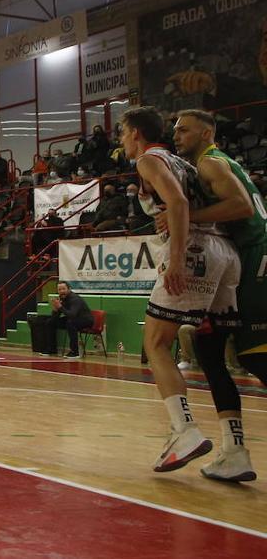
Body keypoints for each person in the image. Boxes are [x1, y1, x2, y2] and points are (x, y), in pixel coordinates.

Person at [119, 106, 239, 475]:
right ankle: (235, 451)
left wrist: (175, 260)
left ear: (136, 133)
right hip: (224, 253)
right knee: (214, 357)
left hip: (194, 250)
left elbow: (179, 203)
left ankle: (184, 429)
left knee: (155, 342)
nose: (122, 141)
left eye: (123, 133)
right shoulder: (181, 161)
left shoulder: (149, 160)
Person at [168, 109, 266, 481]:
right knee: (210, 350)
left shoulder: (211, 163)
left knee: (255, 355)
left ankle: (235, 452)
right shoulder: (215, 164)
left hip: (255, 256)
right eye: (175, 130)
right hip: (243, 260)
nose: (178, 136)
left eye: (185, 130)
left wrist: (188, 217)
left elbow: (241, 207)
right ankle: (234, 451)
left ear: (207, 132)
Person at [50, 281, 94, 358]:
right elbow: (56, 317)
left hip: (86, 320)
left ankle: (74, 352)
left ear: (69, 289)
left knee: (70, 323)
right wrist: (55, 309)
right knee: (50, 322)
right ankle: (50, 349)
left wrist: (60, 307)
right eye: (59, 290)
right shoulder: (61, 299)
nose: (61, 291)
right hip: (72, 319)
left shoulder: (75, 299)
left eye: (63, 289)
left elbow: (72, 315)